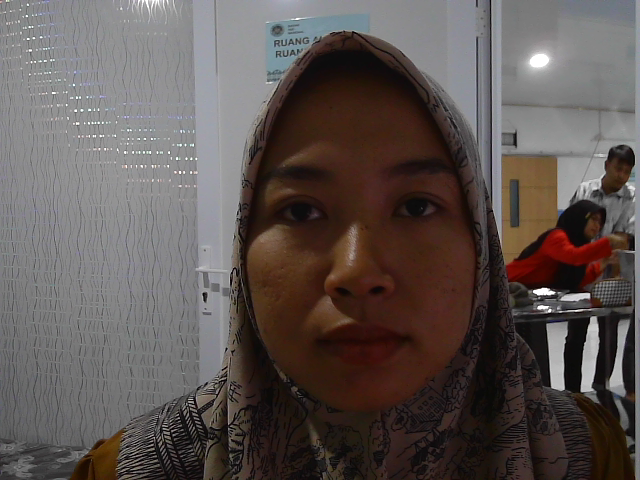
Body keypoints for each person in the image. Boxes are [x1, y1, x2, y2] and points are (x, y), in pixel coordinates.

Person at [71, 32, 632, 479]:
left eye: (416, 206)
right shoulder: (132, 469)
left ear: (480, 248)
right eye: (300, 211)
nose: (358, 273)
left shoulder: (584, 453)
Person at [506, 201, 626, 388]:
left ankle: (546, 395)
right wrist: (608, 242)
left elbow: (577, 279)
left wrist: (603, 263)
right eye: (593, 219)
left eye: (600, 222)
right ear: (580, 218)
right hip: (511, 291)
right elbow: (574, 257)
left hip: (529, 301)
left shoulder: (576, 242)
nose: (597, 226)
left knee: (535, 353)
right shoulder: (556, 236)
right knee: (521, 354)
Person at [564, 145, 635, 394]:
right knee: (576, 335)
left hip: (612, 276)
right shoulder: (585, 191)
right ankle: (572, 393)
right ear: (607, 165)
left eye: (627, 171)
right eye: (618, 169)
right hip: (581, 275)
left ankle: (601, 388)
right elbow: (570, 230)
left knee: (609, 335)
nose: (622, 176)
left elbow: (625, 238)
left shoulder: (632, 198)